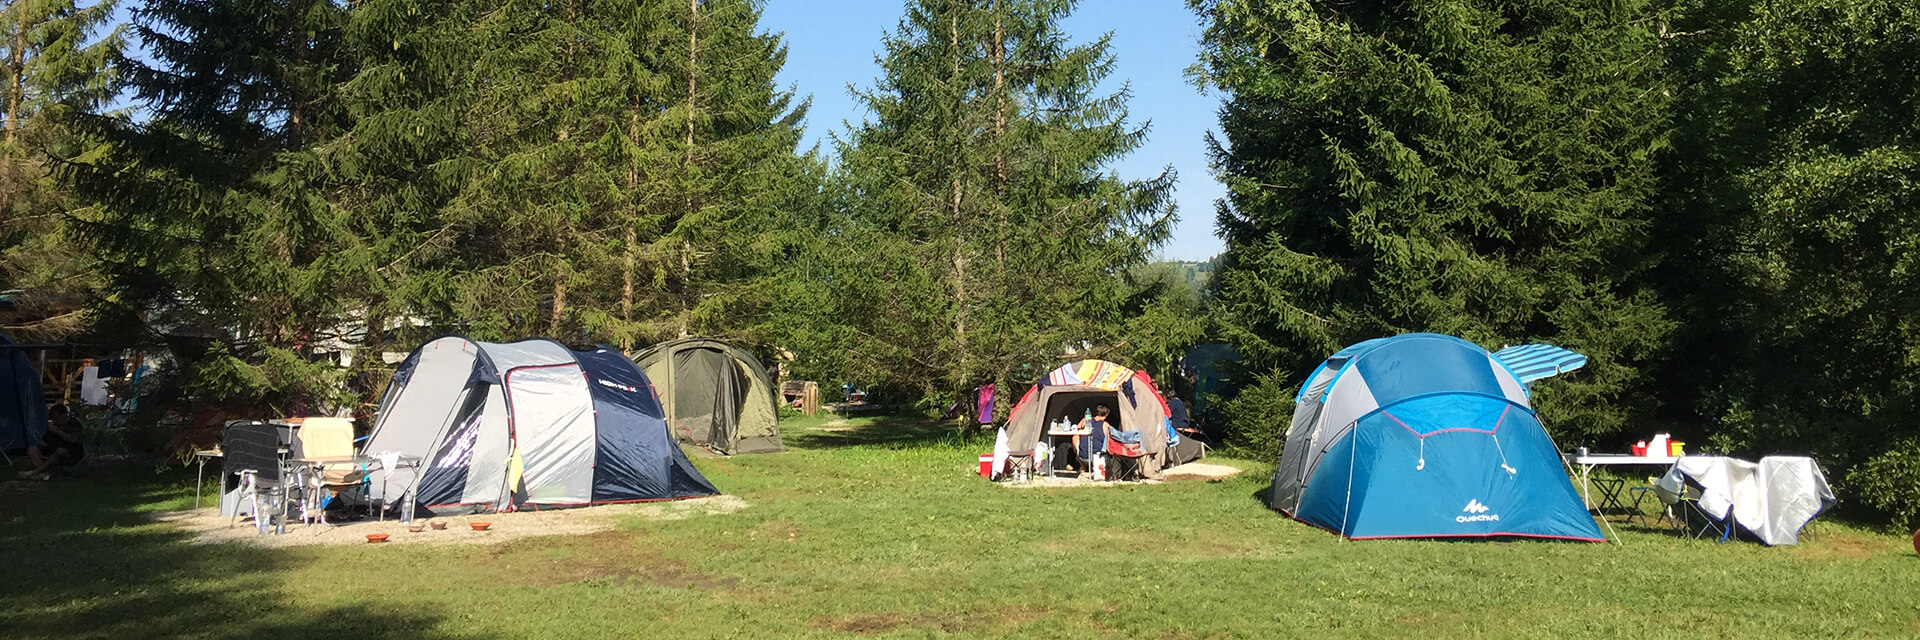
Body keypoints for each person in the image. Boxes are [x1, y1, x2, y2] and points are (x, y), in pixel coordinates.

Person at [18, 405, 86, 480]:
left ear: (63, 415)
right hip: (53, 450)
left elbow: (73, 439)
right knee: (32, 450)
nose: (55, 420)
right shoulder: (55, 426)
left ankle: (34, 473)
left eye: (56, 418)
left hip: (71, 452)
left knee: (60, 451)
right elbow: (44, 441)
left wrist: (58, 432)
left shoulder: (73, 423)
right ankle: (45, 474)